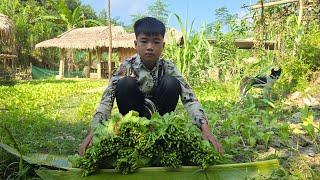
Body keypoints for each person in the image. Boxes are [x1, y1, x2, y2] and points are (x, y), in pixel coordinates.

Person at [79, 17, 223, 156]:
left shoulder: (168, 67)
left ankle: (160, 134)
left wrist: (205, 128)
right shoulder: (126, 66)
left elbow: (189, 98)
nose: (150, 47)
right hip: (134, 118)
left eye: (156, 42)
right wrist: (95, 130)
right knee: (125, 83)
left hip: (160, 120)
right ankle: (132, 135)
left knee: (171, 82)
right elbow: (107, 98)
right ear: (136, 44)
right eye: (144, 41)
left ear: (163, 45)